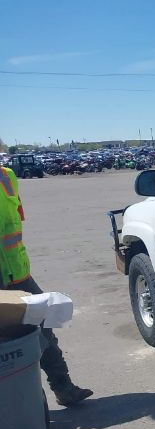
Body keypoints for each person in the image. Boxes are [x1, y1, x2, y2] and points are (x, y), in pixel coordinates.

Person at [0, 165, 92, 406]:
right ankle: (22, 403)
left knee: (45, 329)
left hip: (19, 274)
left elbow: (14, 223)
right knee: (9, 345)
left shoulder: (7, 176)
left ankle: (63, 388)